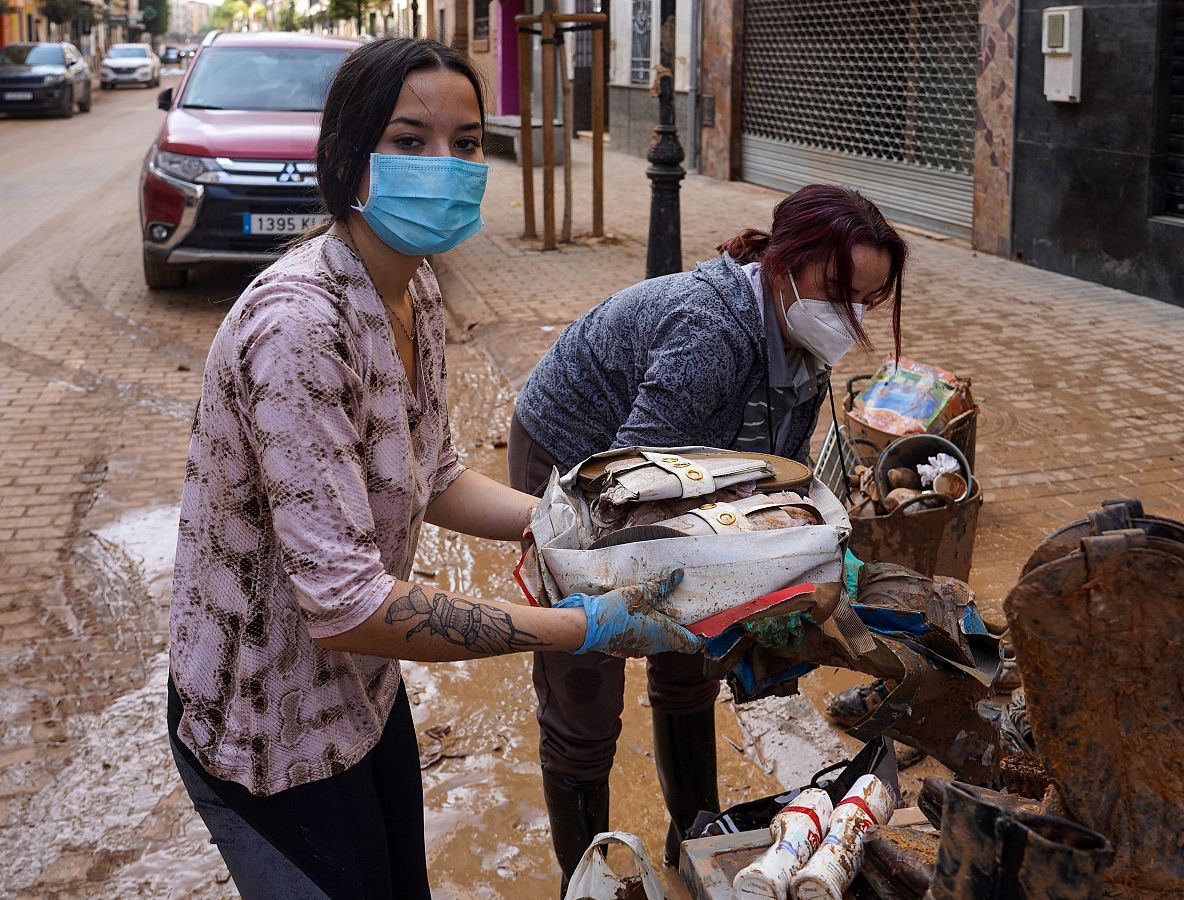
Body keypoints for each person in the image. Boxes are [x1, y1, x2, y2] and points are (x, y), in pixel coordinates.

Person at [167, 38, 701, 899]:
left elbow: (436, 473)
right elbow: (344, 607)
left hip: (364, 695)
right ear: (345, 158)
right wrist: (586, 625)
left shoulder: (412, 288)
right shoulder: (297, 329)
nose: (445, 165)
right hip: (266, 727)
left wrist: (574, 524)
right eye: (410, 140)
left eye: (465, 142)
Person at [509, 184, 909, 879]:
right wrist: (662, 594)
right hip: (577, 458)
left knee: (694, 655)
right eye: (839, 291)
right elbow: (625, 499)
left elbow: (767, 475)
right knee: (587, 675)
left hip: (681, 471)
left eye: (866, 302)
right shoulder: (710, 334)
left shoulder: (802, 344)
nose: (849, 317)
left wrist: (788, 574)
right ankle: (589, 879)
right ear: (788, 262)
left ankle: (693, 842)